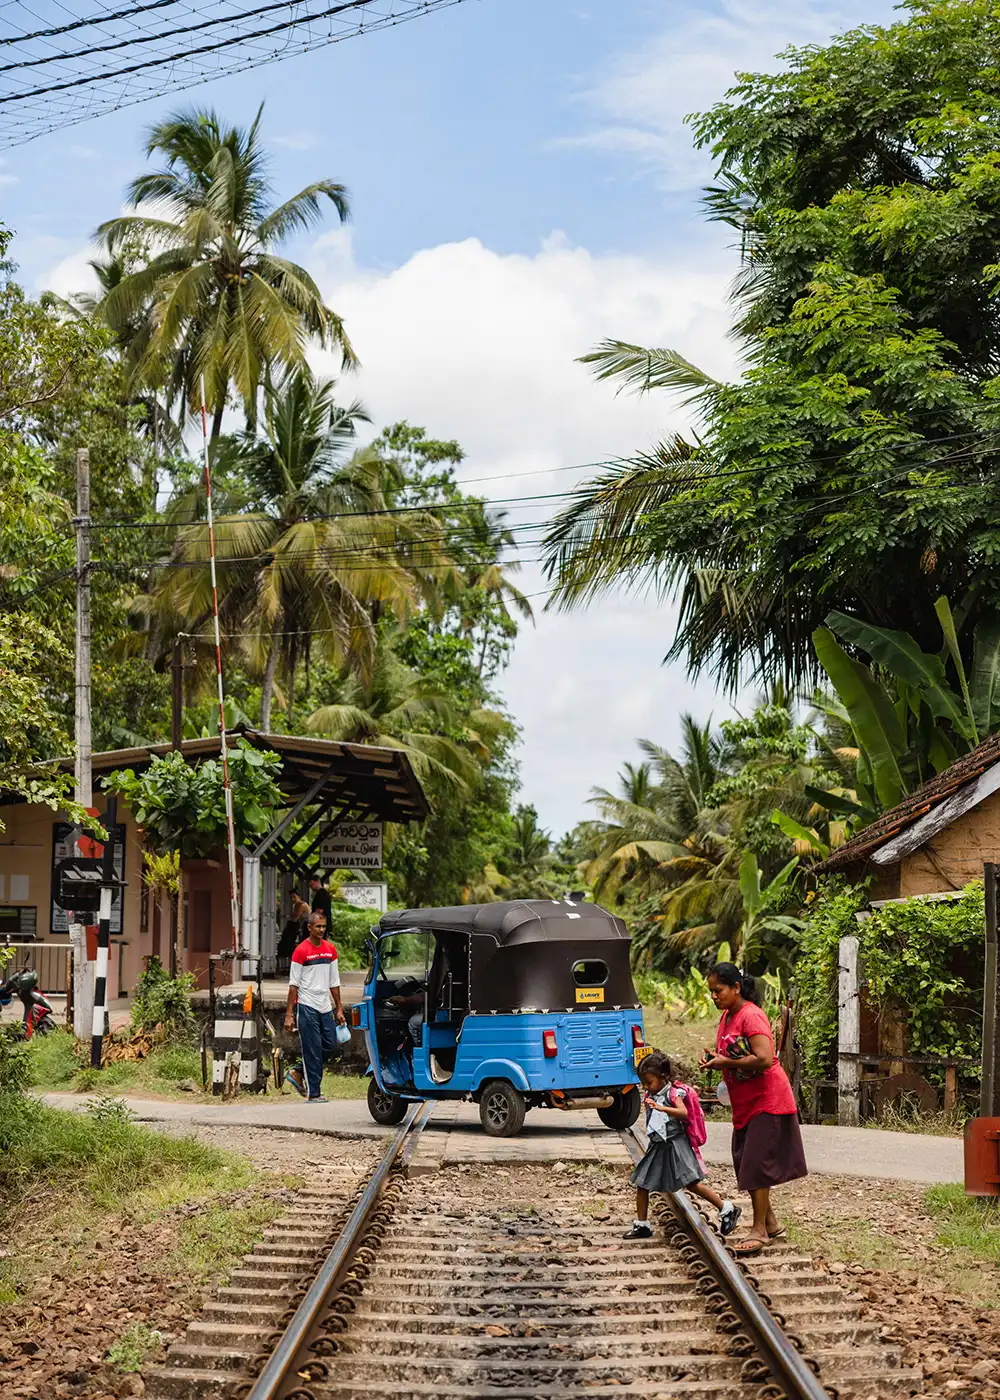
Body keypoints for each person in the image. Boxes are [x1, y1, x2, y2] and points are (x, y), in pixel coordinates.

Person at [699, 962, 807, 1256]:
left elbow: (763, 1058)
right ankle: (771, 1223)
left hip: (767, 1099)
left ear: (736, 987)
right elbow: (732, 1051)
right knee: (745, 1161)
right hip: (745, 1101)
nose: (714, 996)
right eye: (711, 992)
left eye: (718, 990)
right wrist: (715, 1058)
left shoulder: (752, 1015)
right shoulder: (727, 1016)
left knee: (756, 1164)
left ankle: (759, 1230)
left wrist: (727, 1063)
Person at [623, 1050, 740, 1240]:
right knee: (642, 1183)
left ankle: (726, 1208)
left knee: (692, 1184)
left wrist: (663, 1108)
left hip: (676, 1146)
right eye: (643, 1083)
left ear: (663, 1077)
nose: (646, 1086)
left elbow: (684, 1113)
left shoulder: (673, 1093)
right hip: (659, 1146)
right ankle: (642, 1224)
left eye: (649, 1082)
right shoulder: (653, 1094)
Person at [284, 911, 346, 1102]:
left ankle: (297, 1071)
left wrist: (339, 1008)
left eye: (323, 926)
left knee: (330, 1044)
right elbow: (293, 985)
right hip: (307, 1005)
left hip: (325, 1006)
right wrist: (289, 1014)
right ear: (309, 927)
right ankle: (314, 1094)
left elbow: (334, 982)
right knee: (312, 1049)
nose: (321, 930)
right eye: (318, 926)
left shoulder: (330, 950)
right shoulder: (301, 951)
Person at [276, 891, 310, 974]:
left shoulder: (302, 905)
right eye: (291, 897)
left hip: (307, 924)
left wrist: (289, 918)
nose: (293, 899)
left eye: (294, 897)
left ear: (298, 896)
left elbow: (296, 916)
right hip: (301, 924)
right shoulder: (296, 905)